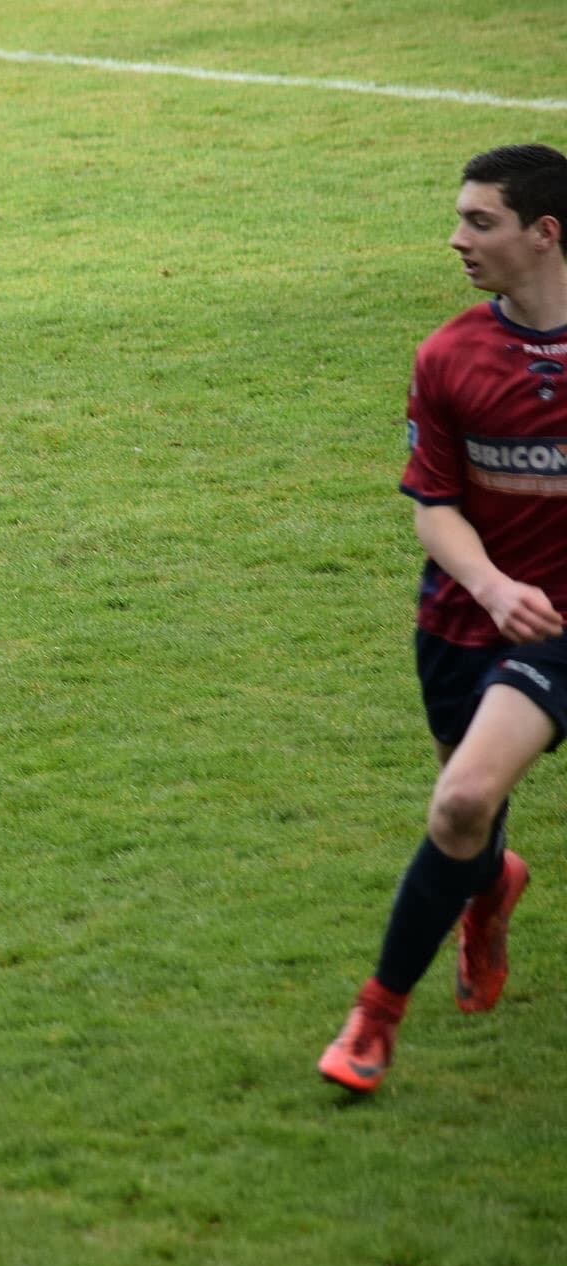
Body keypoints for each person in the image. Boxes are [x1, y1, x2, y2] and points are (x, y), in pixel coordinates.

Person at [320, 144, 567, 1094]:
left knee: (460, 802)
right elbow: (434, 503)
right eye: (459, 218)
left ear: (545, 234)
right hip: (469, 625)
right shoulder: (450, 354)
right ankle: (490, 886)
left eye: (480, 221)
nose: (456, 239)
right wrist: (496, 587)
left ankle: (373, 1021)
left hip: (558, 636)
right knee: (473, 816)